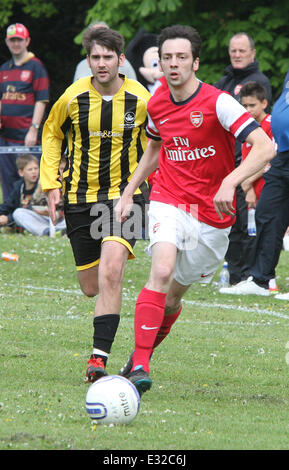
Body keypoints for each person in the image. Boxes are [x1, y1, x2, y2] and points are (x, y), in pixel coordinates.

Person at [115, 24, 275, 395]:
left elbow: (265, 147)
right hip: (169, 199)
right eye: (166, 57)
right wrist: (129, 192)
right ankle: (140, 364)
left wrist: (230, 181)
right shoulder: (156, 103)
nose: (173, 64)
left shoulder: (219, 102)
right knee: (162, 268)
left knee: (173, 297)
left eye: (181, 57)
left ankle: (140, 354)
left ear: (195, 62)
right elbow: (154, 150)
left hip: (212, 216)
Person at [40, 26, 151, 383]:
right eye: (95, 57)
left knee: (112, 269)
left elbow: (158, 142)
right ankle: (110, 299)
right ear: (88, 61)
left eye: (108, 57)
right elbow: (52, 133)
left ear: (121, 60)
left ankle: (98, 360)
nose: (101, 64)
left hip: (125, 197)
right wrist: (50, 183)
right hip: (79, 199)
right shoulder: (72, 97)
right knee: (92, 285)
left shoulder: (141, 98)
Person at [219, 68, 289, 297]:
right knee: (267, 215)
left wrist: (246, 181)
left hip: (276, 159)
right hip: (283, 158)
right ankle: (260, 279)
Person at [215, 32, 272, 286]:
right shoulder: (225, 80)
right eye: (233, 51)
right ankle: (232, 272)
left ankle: (247, 274)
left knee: (248, 225)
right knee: (229, 223)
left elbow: (263, 137)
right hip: (223, 163)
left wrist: (248, 175)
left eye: (242, 51)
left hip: (248, 167)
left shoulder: (258, 81)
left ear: (253, 53)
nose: (237, 55)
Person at [0, 23, 50, 201]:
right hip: (6, 137)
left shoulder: (36, 67)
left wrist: (34, 129)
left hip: (27, 137)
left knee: (31, 178)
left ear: (27, 41)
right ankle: (9, 217)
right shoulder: (4, 69)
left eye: (19, 40)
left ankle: (31, 216)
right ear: (7, 41)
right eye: (12, 40)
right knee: (7, 179)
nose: (16, 43)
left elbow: (41, 100)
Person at [12, 156, 67, 236]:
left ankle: (59, 230)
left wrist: (57, 214)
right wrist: (39, 190)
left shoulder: (71, 184)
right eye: (59, 169)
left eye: (63, 169)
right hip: (45, 218)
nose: (61, 172)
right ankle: (46, 231)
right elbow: (33, 205)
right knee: (18, 213)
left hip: (62, 218)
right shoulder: (46, 182)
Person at [0, 154, 40, 231]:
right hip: (21, 218)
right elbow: (8, 205)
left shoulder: (41, 186)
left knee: (18, 213)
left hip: (38, 217)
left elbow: (33, 209)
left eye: (36, 168)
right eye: (30, 169)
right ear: (21, 173)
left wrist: (8, 218)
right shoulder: (19, 186)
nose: (34, 172)